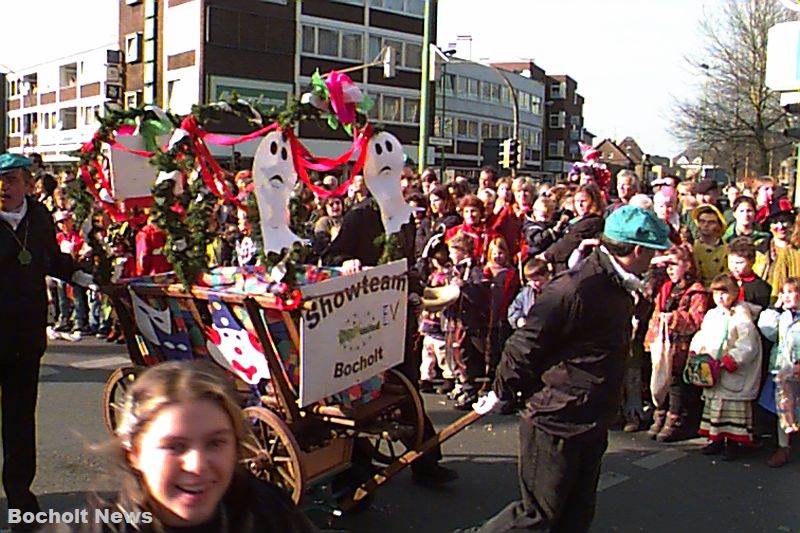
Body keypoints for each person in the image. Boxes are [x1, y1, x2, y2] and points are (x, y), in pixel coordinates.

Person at [460, 206, 670, 533]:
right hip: (556, 419)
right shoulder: (576, 288)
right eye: (654, 253)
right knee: (539, 516)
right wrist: (502, 391)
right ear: (638, 250)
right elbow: (524, 345)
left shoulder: (619, 285)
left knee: (575, 517)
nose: (657, 260)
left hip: (591, 416)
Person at [41, 360, 317, 532]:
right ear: (134, 454)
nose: (197, 465)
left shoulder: (268, 512)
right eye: (174, 446)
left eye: (216, 442)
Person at [0, 153, 95, 530]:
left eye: (11, 179)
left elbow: (50, 260)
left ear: (27, 182)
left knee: (21, 425)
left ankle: (22, 501)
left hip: (25, 340)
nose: (3, 187)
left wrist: (82, 274)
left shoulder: (38, 217)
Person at [689, 274, 762, 461]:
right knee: (714, 405)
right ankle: (717, 440)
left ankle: (734, 443)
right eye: (716, 293)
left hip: (730, 370)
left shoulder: (741, 316)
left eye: (724, 292)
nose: (720, 297)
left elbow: (748, 344)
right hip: (712, 370)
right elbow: (702, 335)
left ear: (734, 293)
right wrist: (696, 351)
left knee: (732, 408)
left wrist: (731, 360)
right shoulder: (712, 314)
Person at [644, 245, 709, 442]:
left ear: (687, 265)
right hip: (663, 343)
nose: (670, 269)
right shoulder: (665, 288)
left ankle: (676, 419)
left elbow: (697, 320)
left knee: (677, 384)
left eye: (674, 264)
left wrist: (673, 318)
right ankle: (660, 413)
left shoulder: (695, 291)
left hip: (682, 345)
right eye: (668, 266)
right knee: (660, 381)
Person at [757, 277, 800, 468]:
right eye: (784, 292)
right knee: (783, 410)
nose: (786, 296)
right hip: (783, 370)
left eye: (790, 292)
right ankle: (783, 447)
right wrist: (775, 307)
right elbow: (767, 330)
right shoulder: (784, 317)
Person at [541, 184, 605, 272]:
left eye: (583, 201)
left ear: (593, 202)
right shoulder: (575, 220)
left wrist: (546, 255)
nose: (580, 205)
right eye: (576, 201)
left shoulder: (592, 222)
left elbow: (569, 242)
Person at [507, 257, 552, 329]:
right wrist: (518, 320)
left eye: (536, 280)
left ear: (546, 275)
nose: (533, 284)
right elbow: (514, 308)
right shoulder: (526, 293)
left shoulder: (554, 292)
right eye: (530, 281)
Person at [691, 204, 728, 286]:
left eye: (711, 222)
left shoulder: (727, 249)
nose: (706, 225)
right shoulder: (692, 249)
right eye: (702, 221)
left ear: (719, 225)